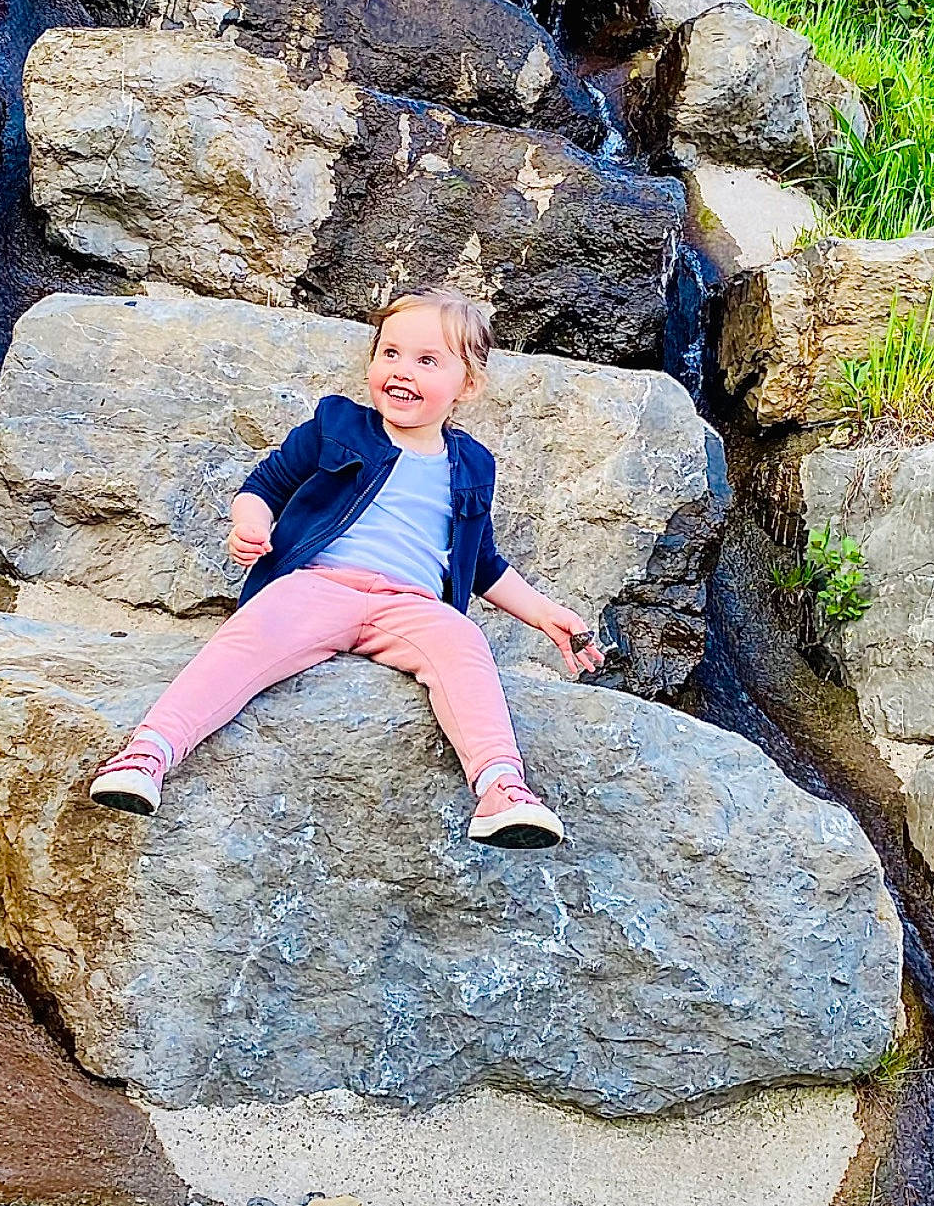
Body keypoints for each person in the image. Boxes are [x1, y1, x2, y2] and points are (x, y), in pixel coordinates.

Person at [89, 286, 604, 848]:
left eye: (427, 361)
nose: (402, 371)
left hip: (411, 606)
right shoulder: (337, 426)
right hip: (319, 584)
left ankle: (500, 786)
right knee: (250, 637)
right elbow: (265, 486)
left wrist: (546, 614)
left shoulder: (472, 465)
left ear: (468, 385)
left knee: (464, 645)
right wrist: (251, 523)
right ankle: (150, 751)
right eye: (390, 353)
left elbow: (481, 562)